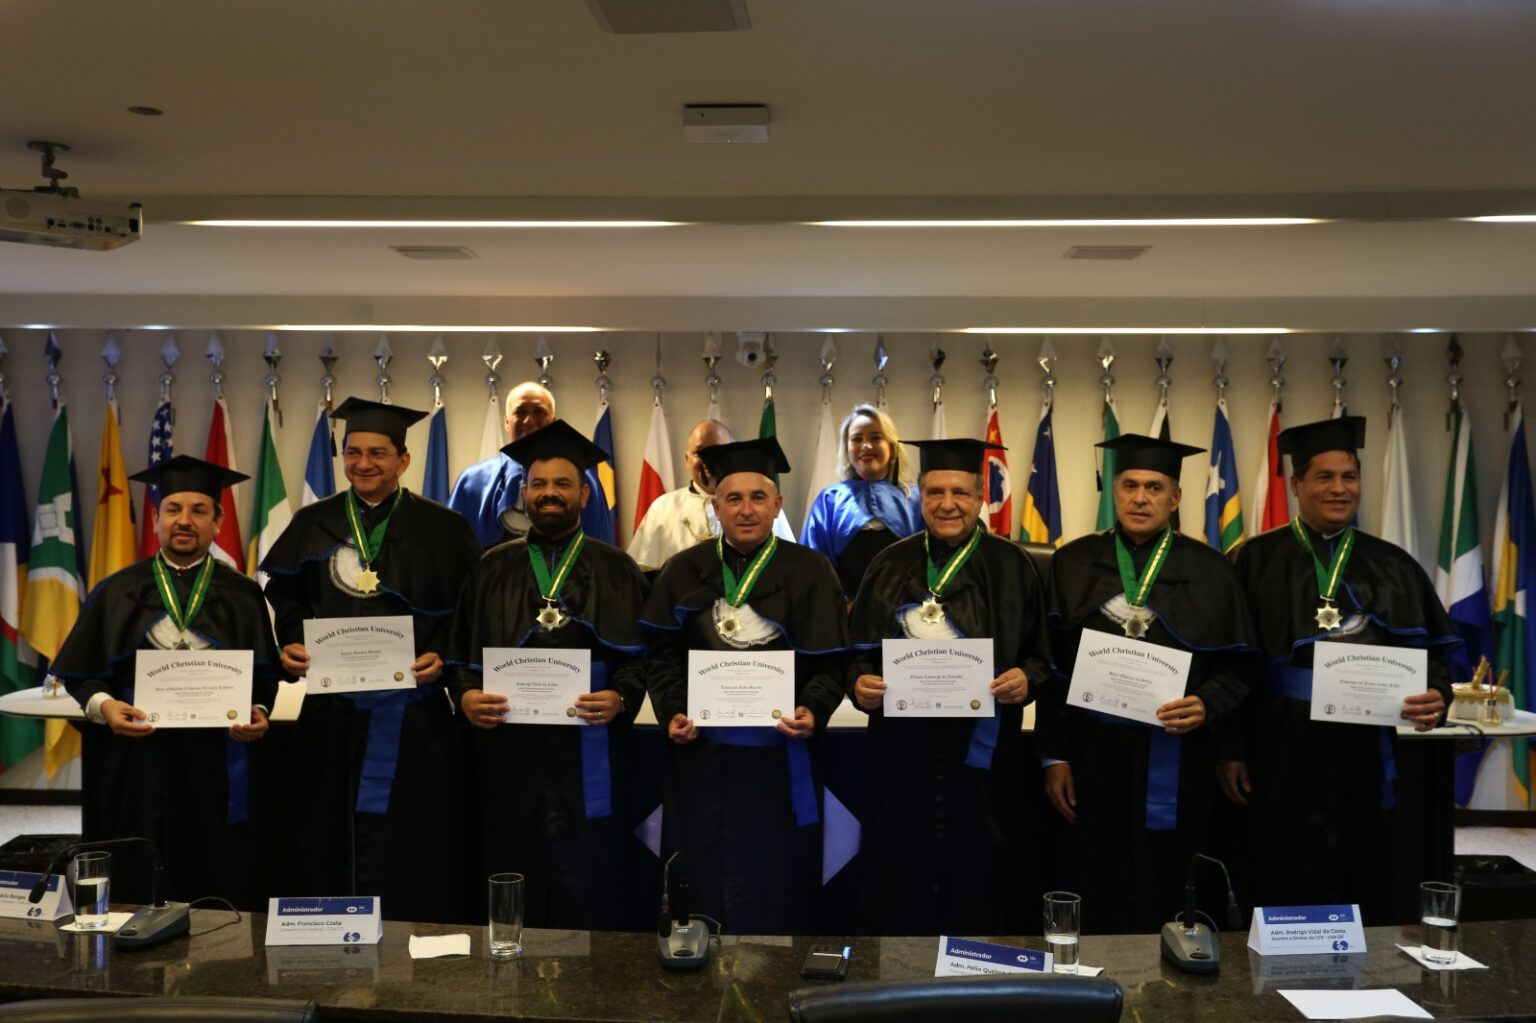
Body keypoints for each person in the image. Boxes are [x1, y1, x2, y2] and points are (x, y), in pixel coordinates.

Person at [1224, 416, 1458, 924]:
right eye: (1324, 477)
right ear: (1297, 485)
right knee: (1278, 864)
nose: (1339, 488)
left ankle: (1363, 965)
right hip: (1277, 746)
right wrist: (1231, 749)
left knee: (1364, 865)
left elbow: (1436, 659)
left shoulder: (1395, 565)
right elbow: (1229, 666)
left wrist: (1438, 695)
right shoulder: (1252, 561)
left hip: (1365, 751)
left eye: (1349, 477)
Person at [260, 397, 482, 923]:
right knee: (324, 823)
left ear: (403, 460)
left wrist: (443, 656)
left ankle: (411, 928)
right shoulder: (313, 522)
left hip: (414, 716)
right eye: (353, 452)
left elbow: (469, 610)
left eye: (378, 453)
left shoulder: (443, 528)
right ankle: (327, 929)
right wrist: (291, 641)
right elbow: (288, 599)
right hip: (330, 711)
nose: (363, 464)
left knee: (412, 830)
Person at [1036, 434, 1257, 934]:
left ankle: (1172, 973)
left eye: (1154, 488)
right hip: (1091, 753)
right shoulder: (1072, 562)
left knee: (1170, 873)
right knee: (1091, 867)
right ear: (1113, 492)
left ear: (1175, 498)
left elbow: (1240, 668)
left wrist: (1206, 704)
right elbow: (1051, 667)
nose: (1140, 498)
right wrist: (1054, 756)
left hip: (1179, 757)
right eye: (1130, 485)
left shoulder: (1211, 570)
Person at [640, 436, 848, 935]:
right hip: (702, 757)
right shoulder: (683, 570)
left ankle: (777, 968)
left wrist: (814, 710)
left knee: (776, 875)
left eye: (758, 497)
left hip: (780, 758)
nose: (746, 509)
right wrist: (672, 710)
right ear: (715, 507)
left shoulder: (811, 570)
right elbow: (662, 656)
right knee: (702, 870)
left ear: (777, 504)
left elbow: (832, 663)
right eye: (733, 498)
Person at [447, 420, 650, 930]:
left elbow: (641, 659)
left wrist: (621, 698)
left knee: (591, 860)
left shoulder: (618, 568)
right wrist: (466, 698)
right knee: (511, 852)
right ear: (524, 493)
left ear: (584, 494)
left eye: (562, 484)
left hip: (590, 748)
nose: (549, 493)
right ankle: (509, 956)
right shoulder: (489, 567)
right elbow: (459, 656)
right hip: (509, 750)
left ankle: (592, 965)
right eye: (538, 484)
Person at [51, 455, 279, 907]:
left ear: (217, 522)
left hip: (217, 756)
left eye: (199, 510)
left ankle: (219, 942)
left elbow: (264, 678)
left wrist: (259, 711)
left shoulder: (243, 594)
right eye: (173, 509)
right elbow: (81, 674)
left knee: (214, 868)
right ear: (156, 519)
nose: (185, 521)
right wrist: (105, 706)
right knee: (137, 865)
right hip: (137, 757)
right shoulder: (117, 590)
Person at [847, 437, 1052, 935]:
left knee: (979, 856)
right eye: (935, 492)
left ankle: (978, 962)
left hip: (982, 749)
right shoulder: (888, 563)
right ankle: (897, 965)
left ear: (980, 498)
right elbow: (853, 654)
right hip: (902, 747)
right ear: (920, 496)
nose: (947, 504)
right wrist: (858, 683)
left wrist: (1026, 679)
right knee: (899, 854)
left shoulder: (1015, 565)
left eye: (960, 493)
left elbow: (1043, 658)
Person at [448, 381, 616, 547]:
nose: (529, 421)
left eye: (539, 412)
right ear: (507, 422)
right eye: (520, 412)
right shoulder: (472, 482)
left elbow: (600, 551)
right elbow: (452, 550)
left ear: (553, 420)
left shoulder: (584, 480)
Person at [628, 418, 794, 572]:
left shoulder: (763, 507)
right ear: (687, 459)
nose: (709, 459)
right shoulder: (663, 507)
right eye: (699, 452)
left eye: (718, 450)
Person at [800, 404, 923, 599]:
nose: (866, 445)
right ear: (847, 450)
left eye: (876, 437)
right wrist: (841, 604)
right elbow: (813, 564)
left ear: (892, 447)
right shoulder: (830, 500)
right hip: (845, 610)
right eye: (857, 439)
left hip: (905, 608)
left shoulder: (916, 499)